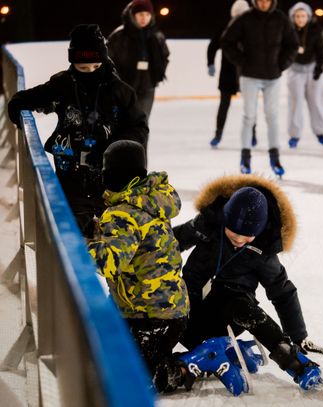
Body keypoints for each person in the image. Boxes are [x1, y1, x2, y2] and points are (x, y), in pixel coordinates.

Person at [87, 140, 249, 396]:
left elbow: (109, 262)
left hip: (154, 315)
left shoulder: (124, 214)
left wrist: (78, 243)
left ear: (117, 176)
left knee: (135, 382)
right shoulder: (149, 200)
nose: (102, 178)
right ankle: (224, 353)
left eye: (106, 172)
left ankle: (204, 358)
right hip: (150, 308)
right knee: (104, 364)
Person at [173, 174, 323, 391]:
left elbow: (282, 292)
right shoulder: (208, 224)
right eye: (233, 233)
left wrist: (298, 335)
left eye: (246, 237)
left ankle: (297, 364)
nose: (238, 240)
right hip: (193, 302)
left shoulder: (264, 251)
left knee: (244, 308)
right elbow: (172, 241)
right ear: (224, 219)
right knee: (169, 305)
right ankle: (222, 352)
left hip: (232, 310)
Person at [7, 24, 148, 237]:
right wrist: (17, 104)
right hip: (69, 175)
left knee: (106, 232)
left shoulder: (120, 91)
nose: (90, 72)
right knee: (72, 232)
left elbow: (138, 127)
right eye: (83, 68)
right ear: (73, 63)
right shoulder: (63, 84)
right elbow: (32, 97)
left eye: (96, 66)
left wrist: (115, 150)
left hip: (108, 178)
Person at [221, 0, 298, 177]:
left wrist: (282, 64)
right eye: (260, 0)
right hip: (250, 76)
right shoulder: (245, 18)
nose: (264, 3)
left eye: (267, 0)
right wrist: (242, 62)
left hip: (273, 77)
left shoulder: (280, 19)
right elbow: (226, 41)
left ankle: (275, 158)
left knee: (272, 116)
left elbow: (292, 44)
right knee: (249, 116)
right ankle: (245, 158)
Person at [107, 0, 170, 120]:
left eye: (148, 14)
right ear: (132, 15)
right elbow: (108, 60)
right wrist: (115, 81)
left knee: (142, 121)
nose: (144, 18)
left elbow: (164, 57)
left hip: (147, 86)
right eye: (141, 14)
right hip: (124, 87)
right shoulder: (119, 35)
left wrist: (156, 75)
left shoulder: (157, 36)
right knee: (123, 121)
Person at [207, 0, 255, 148]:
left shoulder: (252, 28)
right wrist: (210, 63)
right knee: (224, 105)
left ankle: (253, 134)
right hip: (228, 74)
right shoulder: (225, 28)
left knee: (250, 105)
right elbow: (213, 46)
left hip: (247, 72)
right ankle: (218, 134)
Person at [287, 2, 323, 149]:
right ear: (293, 17)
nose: (300, 19)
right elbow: (283, 50)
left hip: (312, 71)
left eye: (303, 16)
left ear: (308, 16)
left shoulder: (316, 30)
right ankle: (294, 135)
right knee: (295, 104)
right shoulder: (288, 31)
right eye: (297, 16)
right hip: (295, 72)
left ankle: (320, 132)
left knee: (316, 102)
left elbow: (322, 51)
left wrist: (319, 69)